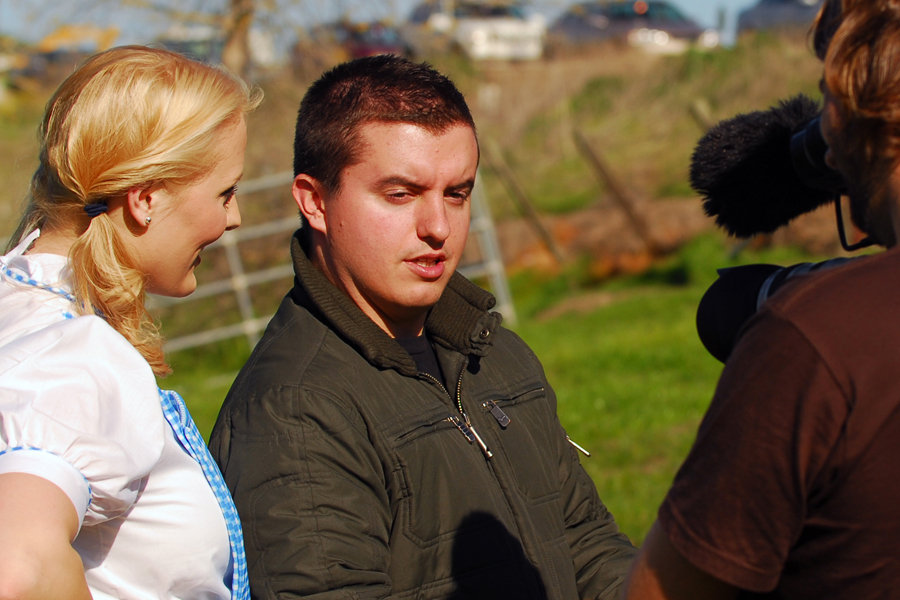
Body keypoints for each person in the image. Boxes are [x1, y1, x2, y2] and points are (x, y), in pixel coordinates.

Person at [209, 54, 636, 599]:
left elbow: (585, 544)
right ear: (314, 201)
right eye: (400, 194)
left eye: (456, 193)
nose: (437, 227)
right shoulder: (294, 410)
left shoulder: (494, 352)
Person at [624, 0, 900, 597]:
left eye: (829, 98)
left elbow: (662, 590)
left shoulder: (817, 338)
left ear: (856, 118)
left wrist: (796, 307)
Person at [0, 45, 261, 599]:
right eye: (224, 192)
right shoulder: (77, 355)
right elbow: (19, 569)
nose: (234, 217)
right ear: (144, 200)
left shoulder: (17, 305)